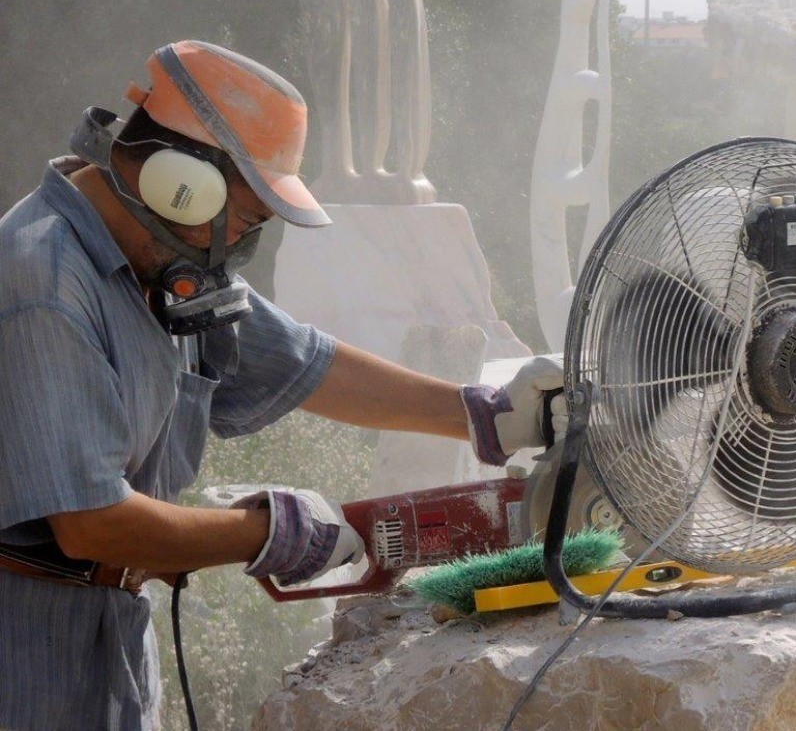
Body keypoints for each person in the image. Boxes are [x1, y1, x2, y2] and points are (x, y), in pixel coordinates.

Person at [0, 40, 566, 730]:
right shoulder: (43, 285)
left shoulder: (164, 269)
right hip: (28, 660)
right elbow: (93, 525)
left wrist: (483, 415)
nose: (238, 247)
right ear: (179, 182)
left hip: (111, 642)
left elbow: (305, 362)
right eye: (246, 220)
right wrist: (267, 533)